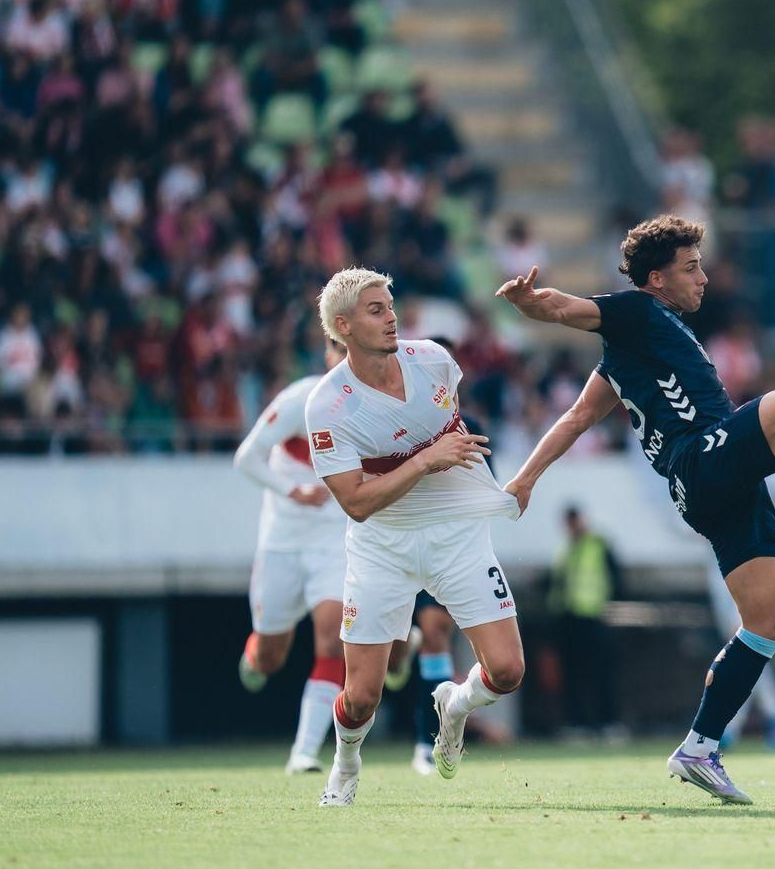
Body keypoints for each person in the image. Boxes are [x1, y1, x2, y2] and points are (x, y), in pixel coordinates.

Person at [496, 215, 775, 804]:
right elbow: (563, 309)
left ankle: (699, 746)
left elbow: (573, 420)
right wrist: (530, 304)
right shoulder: (637, 311)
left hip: (713, 486)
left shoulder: (625, 358)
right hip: (703, 459)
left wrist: (523, 480)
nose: (703, 278)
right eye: (690, 268)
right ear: (656, 279)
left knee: (768, 623)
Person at [304, 268, 523, 807]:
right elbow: (356, 503)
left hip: (456, 536)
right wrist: (426, 460)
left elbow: (451, 438)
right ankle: (346, 764)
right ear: (343, 326)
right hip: (384, 547)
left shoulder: (433, 360)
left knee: (509, 670)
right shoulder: (326, 407)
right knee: (361, 697)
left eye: (390, 305)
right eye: (375, 310)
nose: (391, 316)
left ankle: (455, 707)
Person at [232, 336, 416, 772]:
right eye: (339, 350)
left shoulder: (375, 410)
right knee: (270, 657)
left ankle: (303, 752)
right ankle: (255, 654)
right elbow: (247, 457)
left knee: (333, 639)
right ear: (331, 355)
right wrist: (291, 490)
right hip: (281, 543)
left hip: (334, 543)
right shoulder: (301, 399)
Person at [707, 466, 775, 749]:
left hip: (753, 559)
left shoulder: (770, 466)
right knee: (743, 641)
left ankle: (730, 724)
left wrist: (773, 539)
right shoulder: (711, 457)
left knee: (743, 637)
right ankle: (772, 711)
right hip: (719, 561)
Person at [547, 505, 625, 741]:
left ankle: (608, 723)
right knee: (573, 674)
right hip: (570, 619)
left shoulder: (599, 544)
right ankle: (577, 723)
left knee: (601, 673)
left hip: (595, 617)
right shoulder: (565, 548)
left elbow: (616, 578)